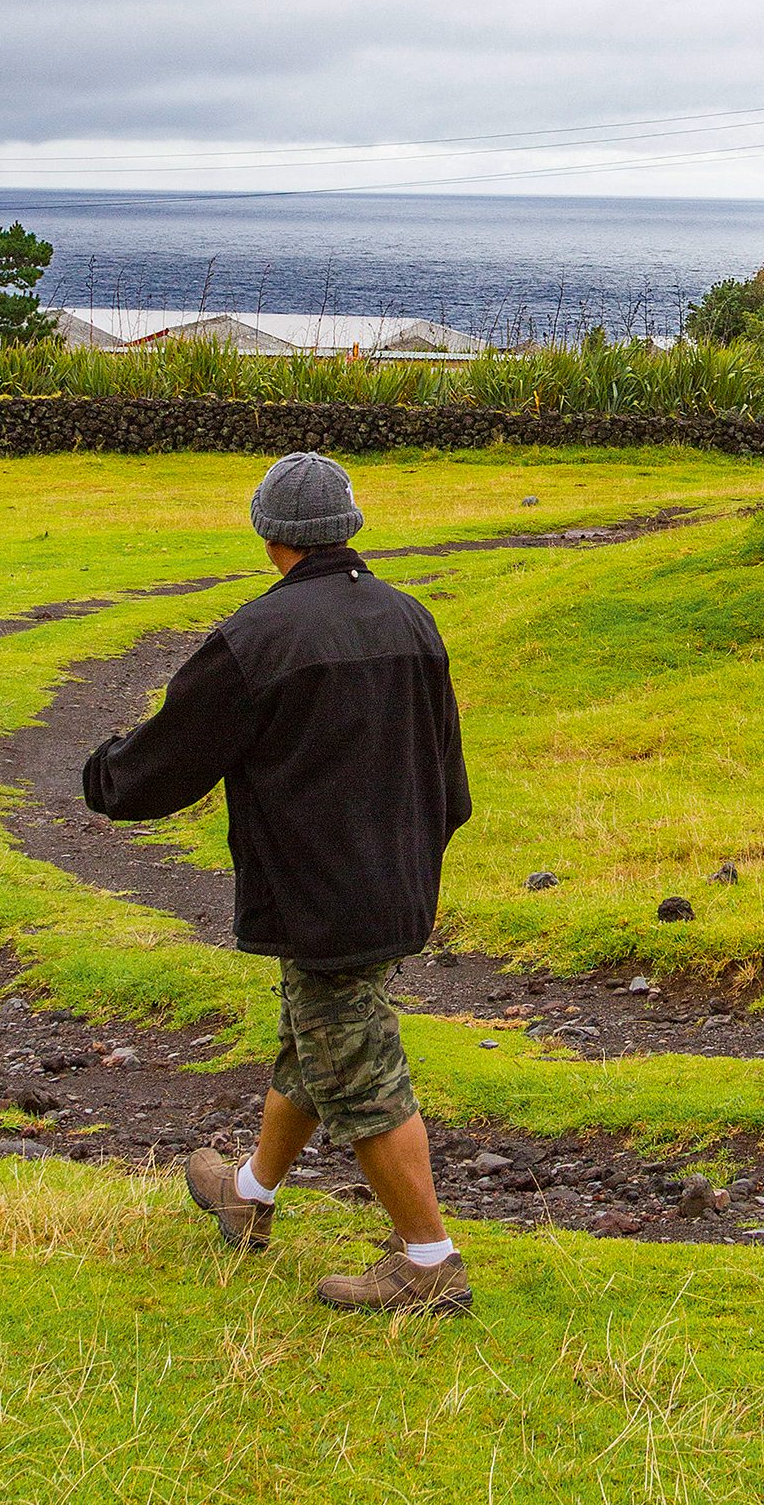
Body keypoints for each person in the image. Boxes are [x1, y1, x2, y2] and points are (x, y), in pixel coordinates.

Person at [82, 449, 474, 1313]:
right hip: (397, 882)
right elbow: (449, 775)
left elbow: (162, 764)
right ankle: (248, 1196)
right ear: (350, 528)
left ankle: (427, 1261)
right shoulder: (412, 619)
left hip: (321, 896)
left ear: (270, 536)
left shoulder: (256, 639)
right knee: (318, 1039)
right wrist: (417, 855)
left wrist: (103, 775)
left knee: (359, 1071)